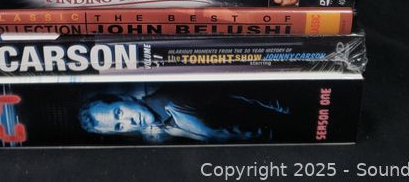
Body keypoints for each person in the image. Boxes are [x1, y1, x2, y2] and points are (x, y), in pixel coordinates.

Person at [78, 87, 291, 143]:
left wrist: (291, 114)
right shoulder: (165, 126)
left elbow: (247, 92)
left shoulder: (174, 99)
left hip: (288, 129)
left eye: (119, 112)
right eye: (119, 126)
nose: (129, 121)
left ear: (125, 98)